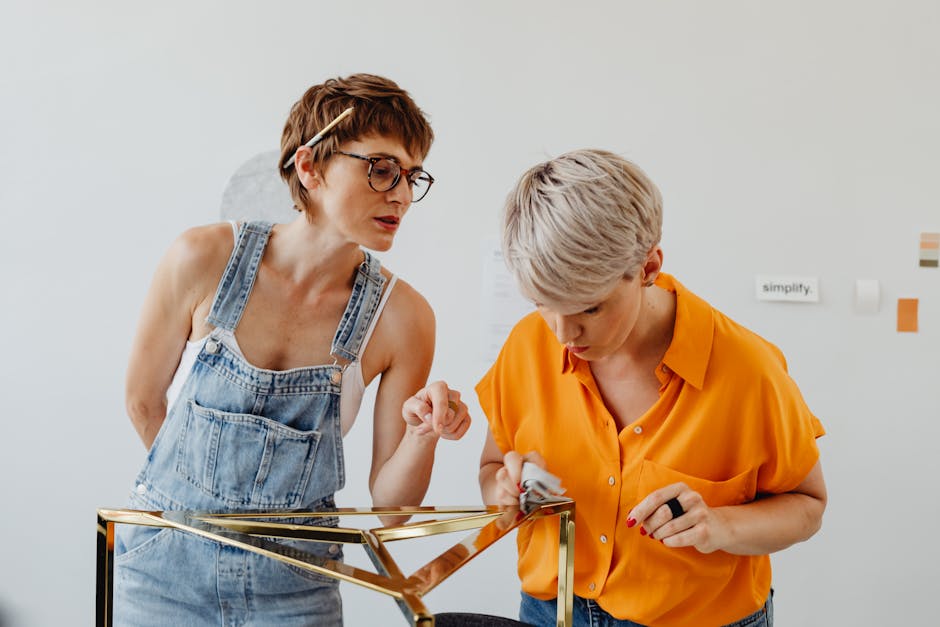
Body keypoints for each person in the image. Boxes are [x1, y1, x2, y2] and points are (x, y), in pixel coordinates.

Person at [114, 73, 471, 626]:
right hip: (163, 571)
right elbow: (142, 400)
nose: (401, 194)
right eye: (381, 169)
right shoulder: (202, 257)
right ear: (310, 167)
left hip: (294, 590)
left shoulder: (403, 318)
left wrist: (424, 435)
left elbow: (393, 511)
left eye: (412, 176)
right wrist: (198, 510)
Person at [476, 149, 827, 627]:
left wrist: (720, 525)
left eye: (590, 309)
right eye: (543, 304)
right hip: (547, 611)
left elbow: (808, 506)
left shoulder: (750, 371)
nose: (563, 334)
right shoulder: (525, 346)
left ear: (647, 267)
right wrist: (508, 493)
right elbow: (494, 467)